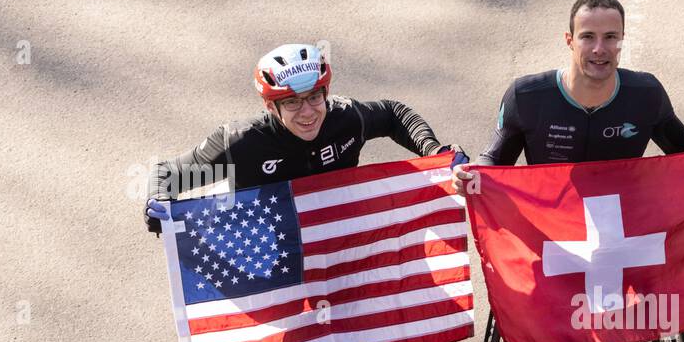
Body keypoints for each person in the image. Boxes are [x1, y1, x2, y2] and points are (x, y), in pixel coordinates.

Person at [452, 0, 684, 342]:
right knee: (533, 285)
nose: (599, 49)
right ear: (569, 40)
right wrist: (470, 177)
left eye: (611, 37)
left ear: (622, 40)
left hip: (624, 224)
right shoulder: (526, 96)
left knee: (661, 267)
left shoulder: (645, 94)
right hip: (554, 228)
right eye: (588, 36)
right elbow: (493, 160)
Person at [145, 43, 465, 230]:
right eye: (292, 103)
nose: (308, 112)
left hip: (337, 232)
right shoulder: (239, 141)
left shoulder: (346, 116)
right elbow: (166, 174)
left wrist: (433, 150)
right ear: (271, 106)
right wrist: (157, 203)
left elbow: (395, 114)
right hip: (272, 243)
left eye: (315, 97)